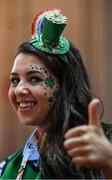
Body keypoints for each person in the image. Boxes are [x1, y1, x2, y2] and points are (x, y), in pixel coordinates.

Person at [0, 8, 112, 179]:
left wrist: (109, 162)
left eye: (35, 79)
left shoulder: (107, 143)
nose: (19, 90)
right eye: (15, 80)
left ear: (64, 86)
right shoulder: (8, 170)